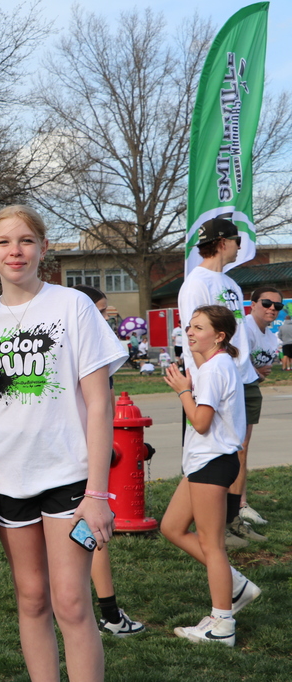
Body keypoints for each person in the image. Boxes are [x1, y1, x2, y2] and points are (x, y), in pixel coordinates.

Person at [0, 205, 124, 682]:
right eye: (4, 242)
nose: (15, 251)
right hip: (8, 479)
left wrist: (98, 494)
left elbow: (99, 405)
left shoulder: (72, 306)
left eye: (25, 241)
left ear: (43, 248)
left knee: (72, 602)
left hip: (70, 478)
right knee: (33, 599)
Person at [161, 305, 259, 646]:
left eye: (198, 327)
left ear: (219, 336)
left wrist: (182, 390)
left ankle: (221, 625)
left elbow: (201, 423)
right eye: (189, 326)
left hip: (213, 462)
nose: (189, 332)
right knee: (171, 527)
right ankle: (236, 585)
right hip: (204, 463)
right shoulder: (214, 365)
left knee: (212, 546)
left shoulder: (215, 368)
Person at [177, 217, 257, 549]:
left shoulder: (232, 283)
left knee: (238, 450)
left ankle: (232, 518)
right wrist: (200, 381)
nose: (242, 246)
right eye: (238, 240)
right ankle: (215, 529)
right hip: (214, 384)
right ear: (223, 242)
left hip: (240, 378)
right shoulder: (197, 282)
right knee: (213, 455)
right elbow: (192, 337)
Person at [72, 284, 146, 638]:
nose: (105, 318)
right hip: (78, 462)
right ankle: (109, 613)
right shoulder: (81, 342)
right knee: (93, 535)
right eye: (99, 312)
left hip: (90, 456)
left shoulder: (97, 347)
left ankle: (103, 611)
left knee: (88, 539)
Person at [229, 287, 283, 535]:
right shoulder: (245, 328)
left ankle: (240, 503)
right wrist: (256, 371)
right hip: (237, 389)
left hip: (251, 388)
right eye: (267, 303)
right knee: (236, 447)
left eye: (278, 306)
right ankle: (235, 506)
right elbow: (235, 359)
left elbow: (263, 369)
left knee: (243, 447)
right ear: (252, 304)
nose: (272, 308)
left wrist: (258, 373)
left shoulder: (271, 336)